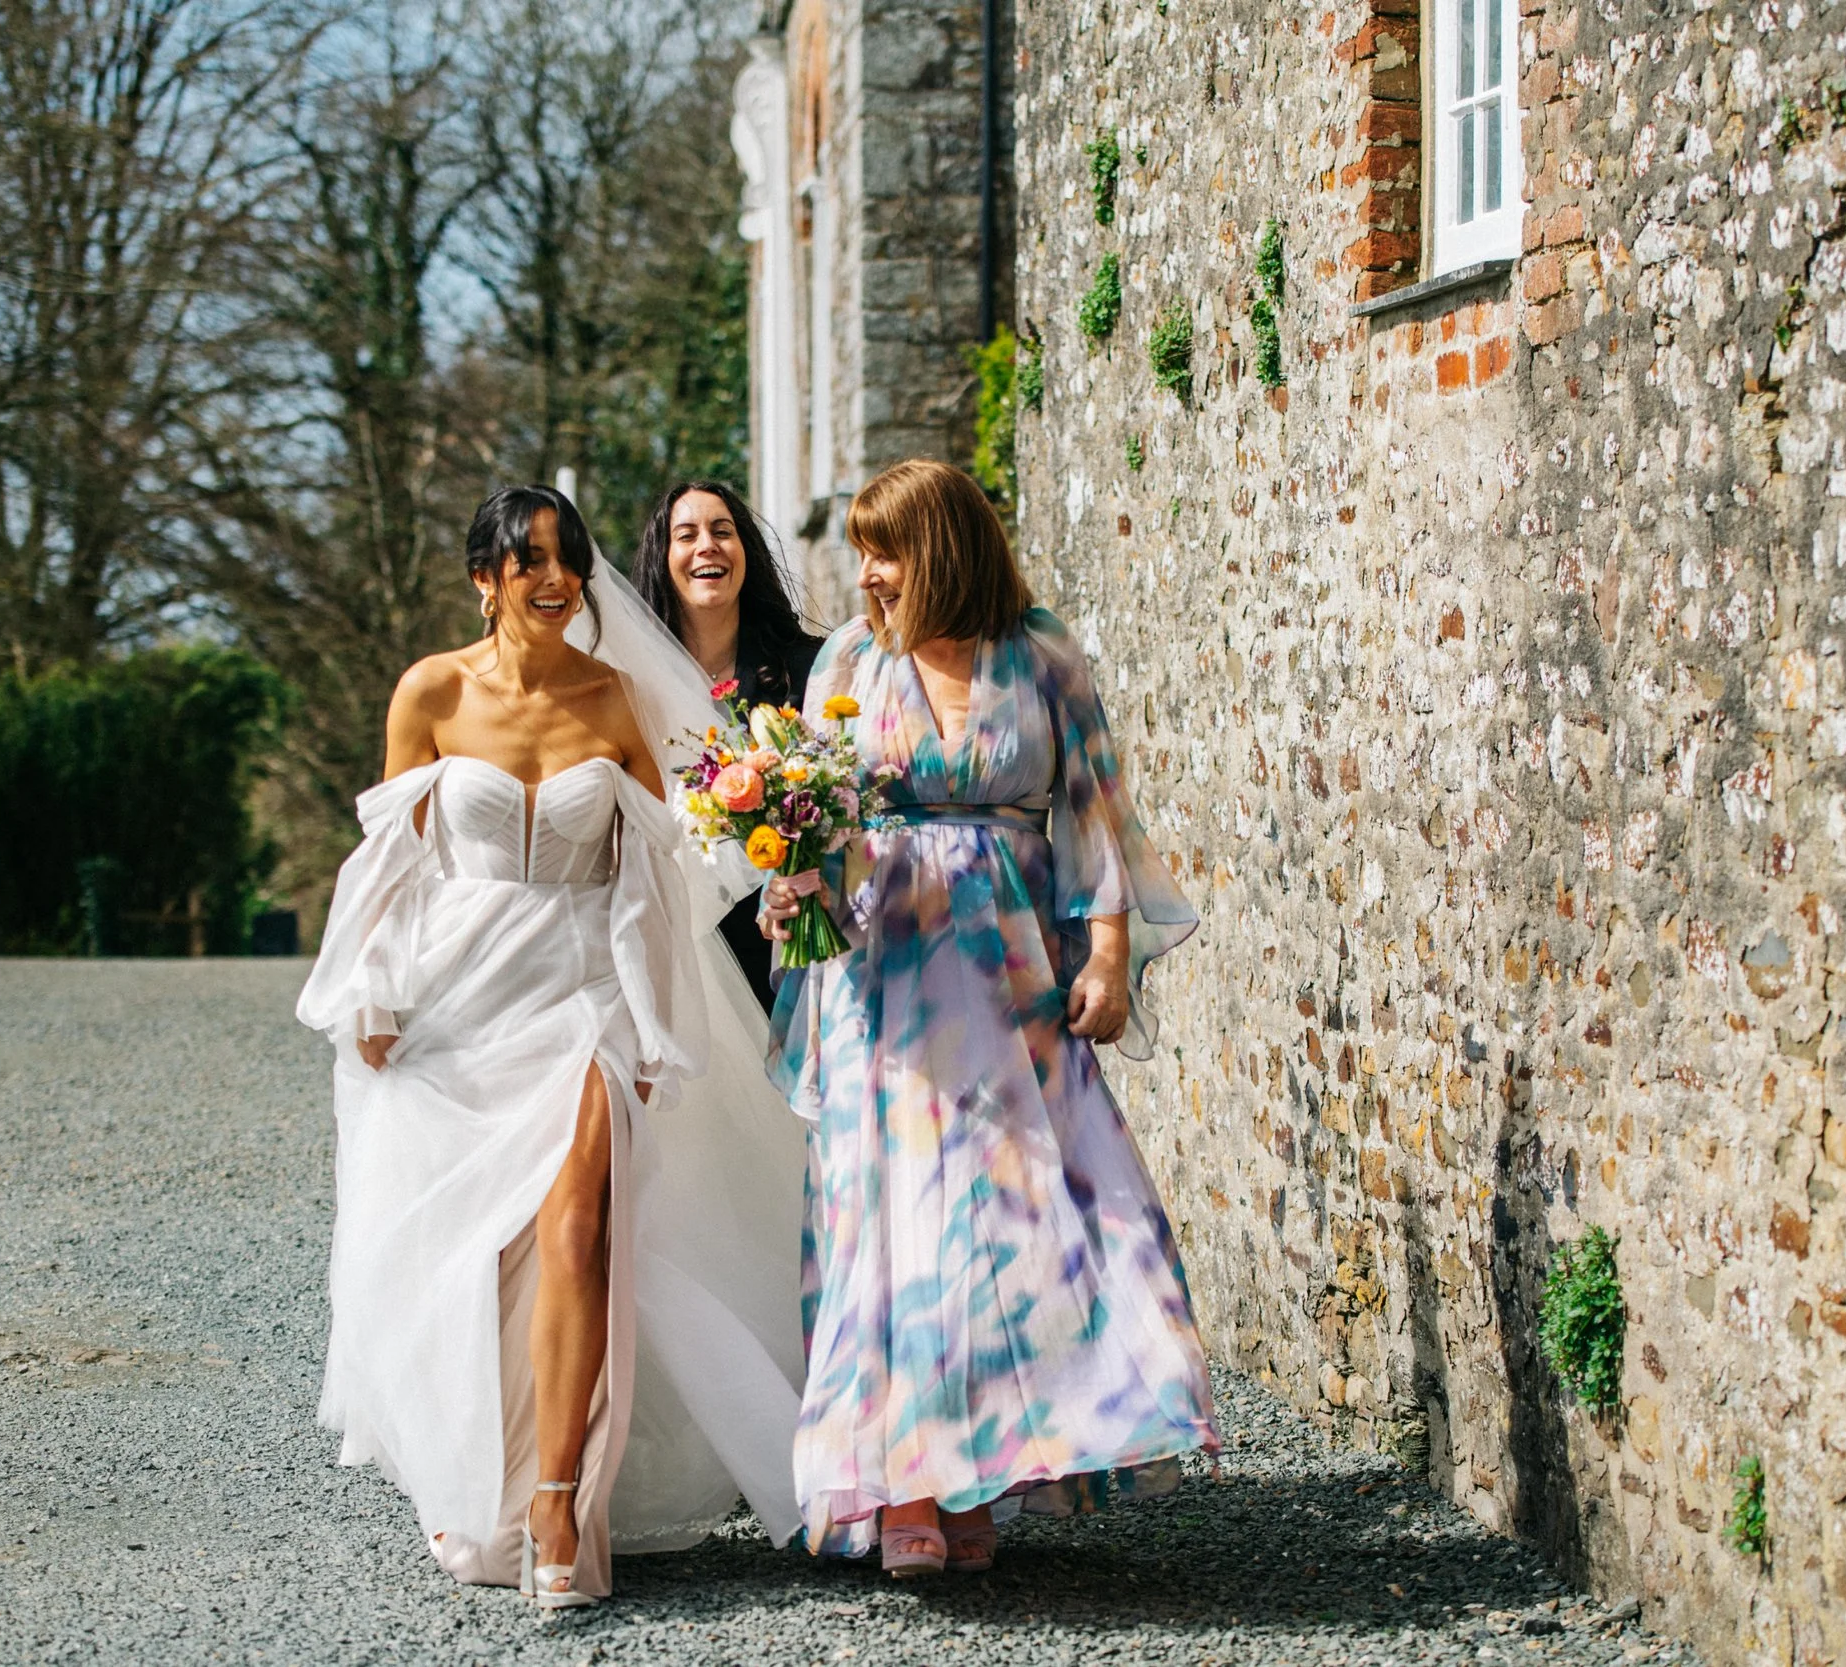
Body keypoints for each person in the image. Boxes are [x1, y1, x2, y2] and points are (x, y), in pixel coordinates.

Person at [297, 485, 805, 1608]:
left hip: (584, 994)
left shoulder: (618, 697)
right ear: (483, 579)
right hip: (456, 1003)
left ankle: (558, 1498)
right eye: (524, 559)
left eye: (564, 557)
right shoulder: (430, 690)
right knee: (463, 1257)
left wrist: (777, 836)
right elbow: (387, 860)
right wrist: (373, 993)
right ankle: (479, 1471)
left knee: (578, 1231)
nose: (550, 577)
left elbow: (691, 847)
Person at [761, 458, 1218, 1576]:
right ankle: (909, 1482)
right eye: (862, 550)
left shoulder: (1040, 654)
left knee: (1015, 1221)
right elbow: (816, 819)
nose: (867, 573)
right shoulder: (849, 665)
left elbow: (1094, 809)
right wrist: (792, 877)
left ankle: (982, 1470)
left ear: (945, 550)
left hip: (1016, 975)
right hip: (883, 976)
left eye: (887, 550)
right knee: (900, 1224)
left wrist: (1109, 955)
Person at [633, 480, 824, 1007]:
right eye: (686, 535)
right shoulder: (631, 688)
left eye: (723, 532)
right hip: (676, 937)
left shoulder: (807, 669)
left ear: (747, 552)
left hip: (790, 936)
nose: (707, 547)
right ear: (663, 557)